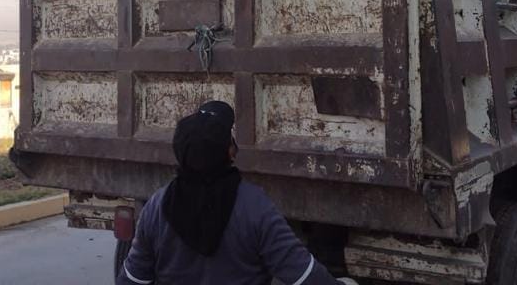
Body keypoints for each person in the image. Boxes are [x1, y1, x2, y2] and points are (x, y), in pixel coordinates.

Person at [117, 101, 352, 285]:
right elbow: (303, 275)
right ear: (230, 152)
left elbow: (133, 279)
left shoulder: (157, 206)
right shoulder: (255, 207)